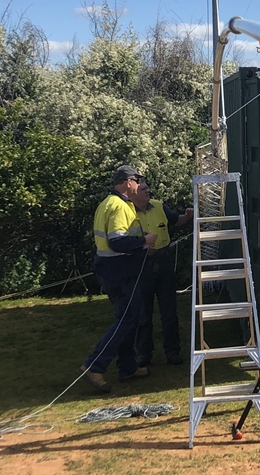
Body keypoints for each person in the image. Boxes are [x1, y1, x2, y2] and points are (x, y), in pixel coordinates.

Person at [78, 165, 158, 394]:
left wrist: (140, 247)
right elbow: (117, 242)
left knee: (127, 317)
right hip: (120, 271)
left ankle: (127, 367)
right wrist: (145, 241)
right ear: (128, 182)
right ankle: (94, 365)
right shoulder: (120, 206)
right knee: (127, 319)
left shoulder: (107, 203)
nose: (139, 184)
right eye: (137, 180)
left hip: (110, 268)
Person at [132, 180, 193, 366]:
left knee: (169, 310)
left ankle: (172, 351)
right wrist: (141, 248)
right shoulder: (126, 212)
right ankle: (143, 354)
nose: (147, 191)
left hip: (163, 262)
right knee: (143, 312)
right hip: (141, 265)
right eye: (143, 189)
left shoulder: (159, 206)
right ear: (134, 193)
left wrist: (187, 216)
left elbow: (176, 220)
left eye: (147, 188)